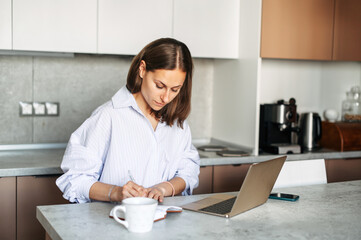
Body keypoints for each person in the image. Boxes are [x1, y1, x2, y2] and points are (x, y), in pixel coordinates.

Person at [56, 38, 200, 204]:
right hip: (111, 224)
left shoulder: (178, 124)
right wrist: (115, 192)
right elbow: (75, 180)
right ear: (142, 69)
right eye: (159, 86)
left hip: (162, 224)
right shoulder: (108, 116)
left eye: (175, 89)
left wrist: (162, 189)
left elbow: (188, 172)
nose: (166, 97)